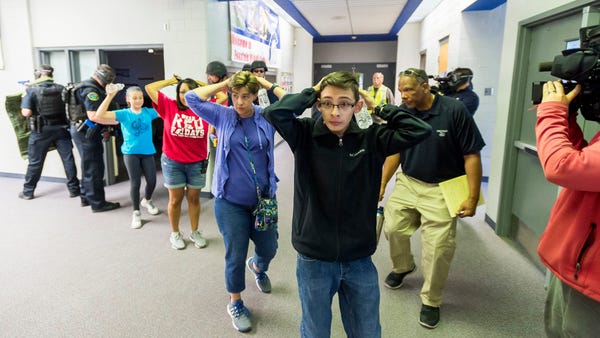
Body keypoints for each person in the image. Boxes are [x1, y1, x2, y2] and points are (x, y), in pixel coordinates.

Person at [263, 71, 432, 337]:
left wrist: (380, 106)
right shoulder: (304, 134)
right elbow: (274, 113)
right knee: (315, 331)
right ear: (318, 104)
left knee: (366, 332)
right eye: (327, 103)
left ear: (357, 106)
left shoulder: (372, 138)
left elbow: (420, 129)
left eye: (344, 103)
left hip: (359, 258)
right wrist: (313, 91)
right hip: (314, 256)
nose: (335, 112)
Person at [380, 68, 485, 329]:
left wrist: (472, 198)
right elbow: (395, 151)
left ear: (426, 87)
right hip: (409, 182)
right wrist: (381, 183)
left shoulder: (454, 111)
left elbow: (471, 155)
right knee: (392, 228)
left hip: (443, 187)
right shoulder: (403, 112)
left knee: (438, 248)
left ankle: (431, 300)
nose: (403, 96)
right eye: (401, 90)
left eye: (409, 90)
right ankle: (404, 266)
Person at [184, 71, 285, 333]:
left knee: (269, 248)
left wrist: (265, 83)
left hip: (264, 200)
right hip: (230, 202)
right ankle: (236, 302)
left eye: (245, 96)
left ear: (254, 96)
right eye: (235, 95)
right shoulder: (223, 114)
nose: (239, 102)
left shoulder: (266, 115)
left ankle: (258, 267)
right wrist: (223, 84)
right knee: (235, 253)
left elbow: (293, 104)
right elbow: (191, 98)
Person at [535, 80, 600, 336]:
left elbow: (563, 167)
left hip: (592, 280)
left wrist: (551, 112)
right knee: (557, 329)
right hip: (576, 262)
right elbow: (585, 161)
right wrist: (567, 120)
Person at [145, 76, 210, 250]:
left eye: (190, 92)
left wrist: (200, 87)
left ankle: (194, 231)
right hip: (173, 162)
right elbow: (150, 88)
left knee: (194, 199)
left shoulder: (204, 109)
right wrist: (171, 81)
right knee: (175, 200)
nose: (185, 95)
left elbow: (221, 95)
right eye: (182, 92)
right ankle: (175, 232)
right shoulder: (169, 106)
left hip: (197, 163)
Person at [92, 84, 160, 229]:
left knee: (153, 181)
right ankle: (136, 213)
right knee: (135, 183)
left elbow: (167, 109)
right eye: (134, 98)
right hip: (131, 153)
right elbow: (99, 115)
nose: (138, 100)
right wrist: (110, 95)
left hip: (148, 151)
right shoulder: (124, 113)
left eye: (140, 97)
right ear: (128, 99)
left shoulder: (149, 112)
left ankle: (147, 200)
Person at [18, 65, 80, 200]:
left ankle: (28, 192)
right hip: (62, 129)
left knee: (35, 162)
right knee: (68, 160)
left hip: (41, 131)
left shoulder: (30, 90)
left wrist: (23, 97)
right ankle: (74, 190)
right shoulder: (61, 88)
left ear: (38, 74)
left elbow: (26, 112)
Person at [70, 64, 121, 213]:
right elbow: (95, 116)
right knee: (94, 168)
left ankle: (86, 197)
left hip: (83, 131)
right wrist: (119, 121)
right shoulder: (91, 90)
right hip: (87, 132)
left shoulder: (86, 85)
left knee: (88, 166)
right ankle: (98, 204)